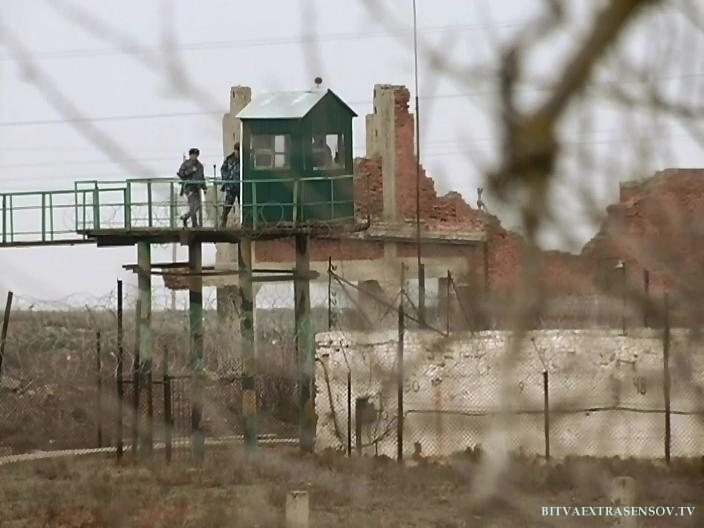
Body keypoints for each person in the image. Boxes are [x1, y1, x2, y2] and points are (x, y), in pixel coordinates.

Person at [177, 147, 206, 228]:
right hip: (188, 187)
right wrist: (190, 171)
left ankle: (186, 217)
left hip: (197, 187)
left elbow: (202, 177)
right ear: (190, 155)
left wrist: (204, 187)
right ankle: (194, 224)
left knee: (198, 206)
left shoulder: (200, 166)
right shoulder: (186, 164)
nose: (194, 157)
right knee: (193, 205)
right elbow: (181, 174)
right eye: (193, 155)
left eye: (196, 155)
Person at [220, 142, 240, 228]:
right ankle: (223, 222)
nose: (238, 152)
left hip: (241, 186)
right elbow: (223, 169)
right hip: (231, 186)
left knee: (243, 205)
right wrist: (226, 179)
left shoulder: (244, 159)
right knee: (227, 205)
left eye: (239, 150)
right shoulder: (229, 159)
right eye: (237, 150)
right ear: (235, 150)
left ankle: (245, 222)